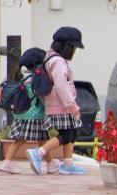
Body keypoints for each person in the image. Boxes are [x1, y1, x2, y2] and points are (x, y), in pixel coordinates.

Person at [26, 26, 86, 175]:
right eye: (73, 48)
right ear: (66, 46)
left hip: (59, 104)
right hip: (62, 105)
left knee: (72, 133)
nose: (74, 52)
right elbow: (61, 85)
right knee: (65, 135)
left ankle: (67, 164)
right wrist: (71, 105)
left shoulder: (50, 57)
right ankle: (39, 153)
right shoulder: (58, 61)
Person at [0, 47, 60, 174]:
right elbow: (41, 96)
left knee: (33, 139)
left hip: (20, 114)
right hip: (34, 114)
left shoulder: (21, 76)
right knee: (40, 139)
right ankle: (7, 163)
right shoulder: (36, 77)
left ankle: (50, 164)